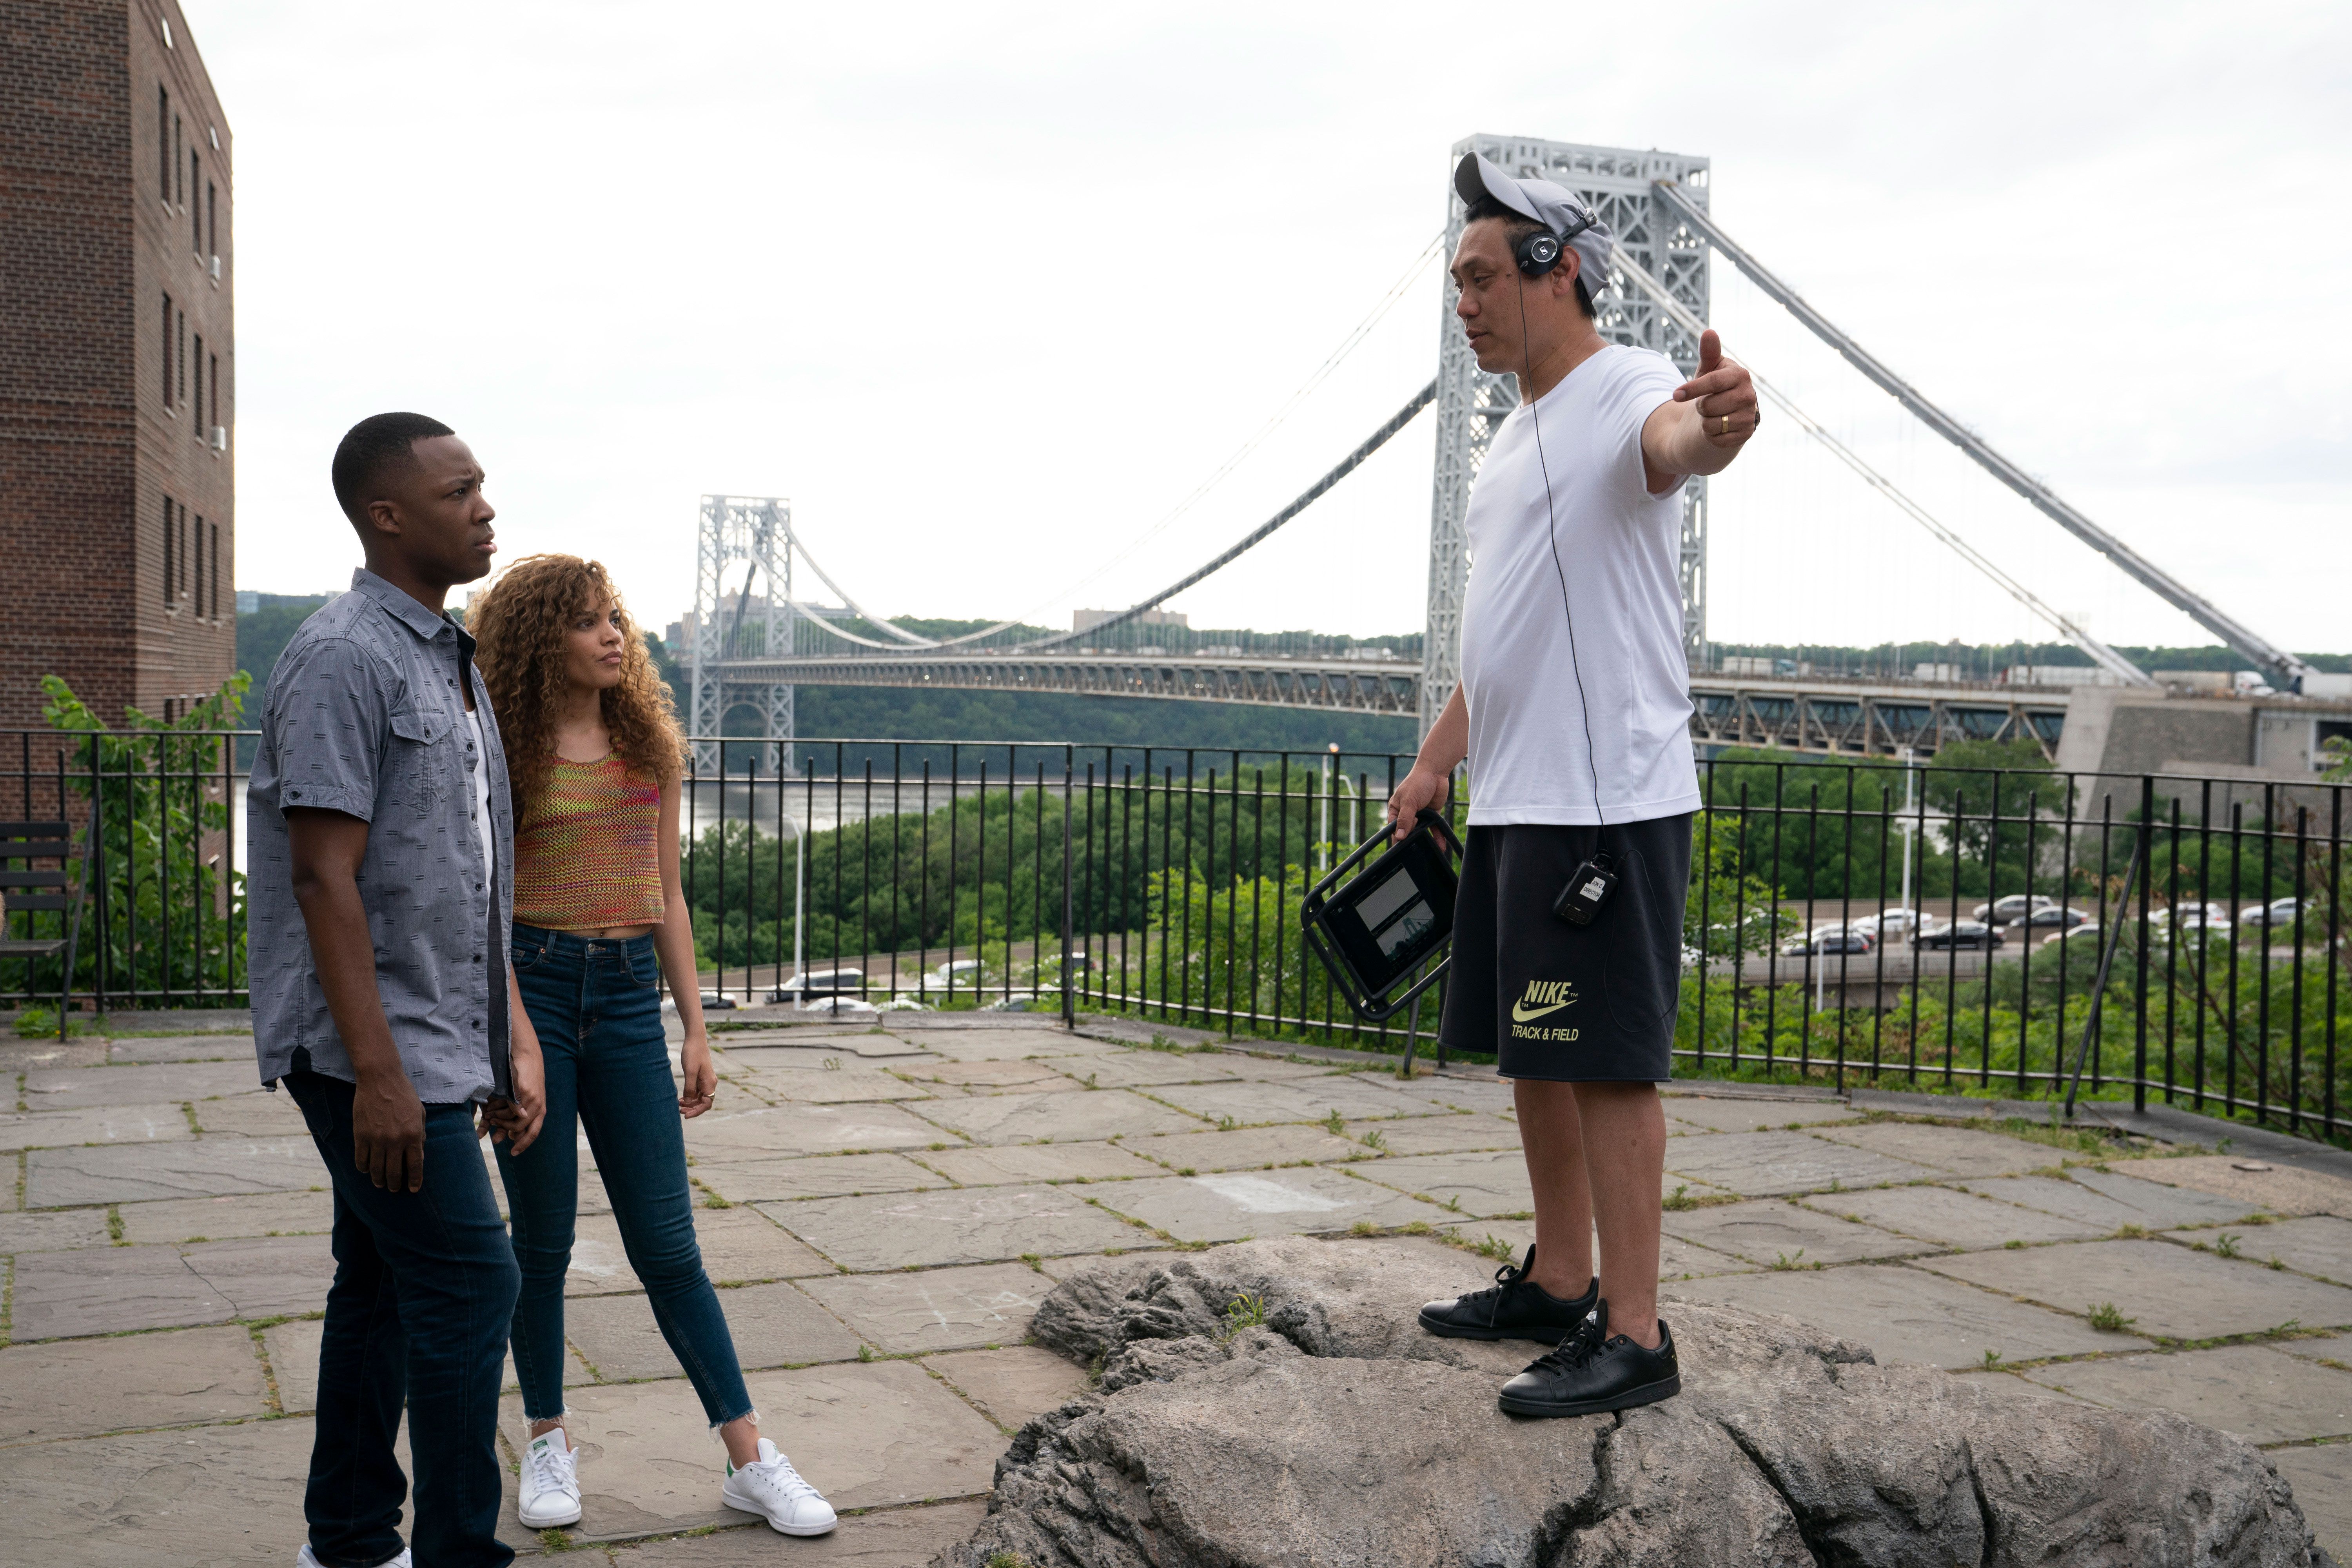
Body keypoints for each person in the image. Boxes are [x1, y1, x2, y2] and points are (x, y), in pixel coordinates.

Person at [1395, 154, 1757, 1417]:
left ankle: (1637, 1337)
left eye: (1484, 275)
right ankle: (1559, 1278)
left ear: (1558, 271)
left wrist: (1713, 424)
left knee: (1605, 1061)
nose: (1464, 300)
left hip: (1608, 797)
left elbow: (1677, 442)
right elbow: (1508, 627)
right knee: (1537, 1050)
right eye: (1457, 280)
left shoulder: (1628, 391)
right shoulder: (1516, 433)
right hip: (1522, 792)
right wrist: (1444, 754)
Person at [465, 554, 837, 1538]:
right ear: (544, 637)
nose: (612, 635)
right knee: (537, 1247)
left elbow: (666, 891)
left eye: (615, 618)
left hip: (630, 999)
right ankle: (548, 1434)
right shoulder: (501, 746)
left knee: (669, 1247)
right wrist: (510, 1034)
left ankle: (750, 1457)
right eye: (588, 622)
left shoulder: (648, 746)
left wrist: (697, 1027)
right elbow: (486, 902)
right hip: (535, 990)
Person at [249, 411, 546, 1568]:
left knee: (378, 1280)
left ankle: (351, 1537)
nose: (484, 509)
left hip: (439, 1032)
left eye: (483, 487)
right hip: (366, 1050)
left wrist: (509, 1036)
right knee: (477, 1282)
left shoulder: (449, 656)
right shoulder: (341, 657)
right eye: (459, 491)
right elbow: (325, 879)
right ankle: (458, 1551)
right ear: (388, 514)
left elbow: (474, 873)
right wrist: (379, 1075)